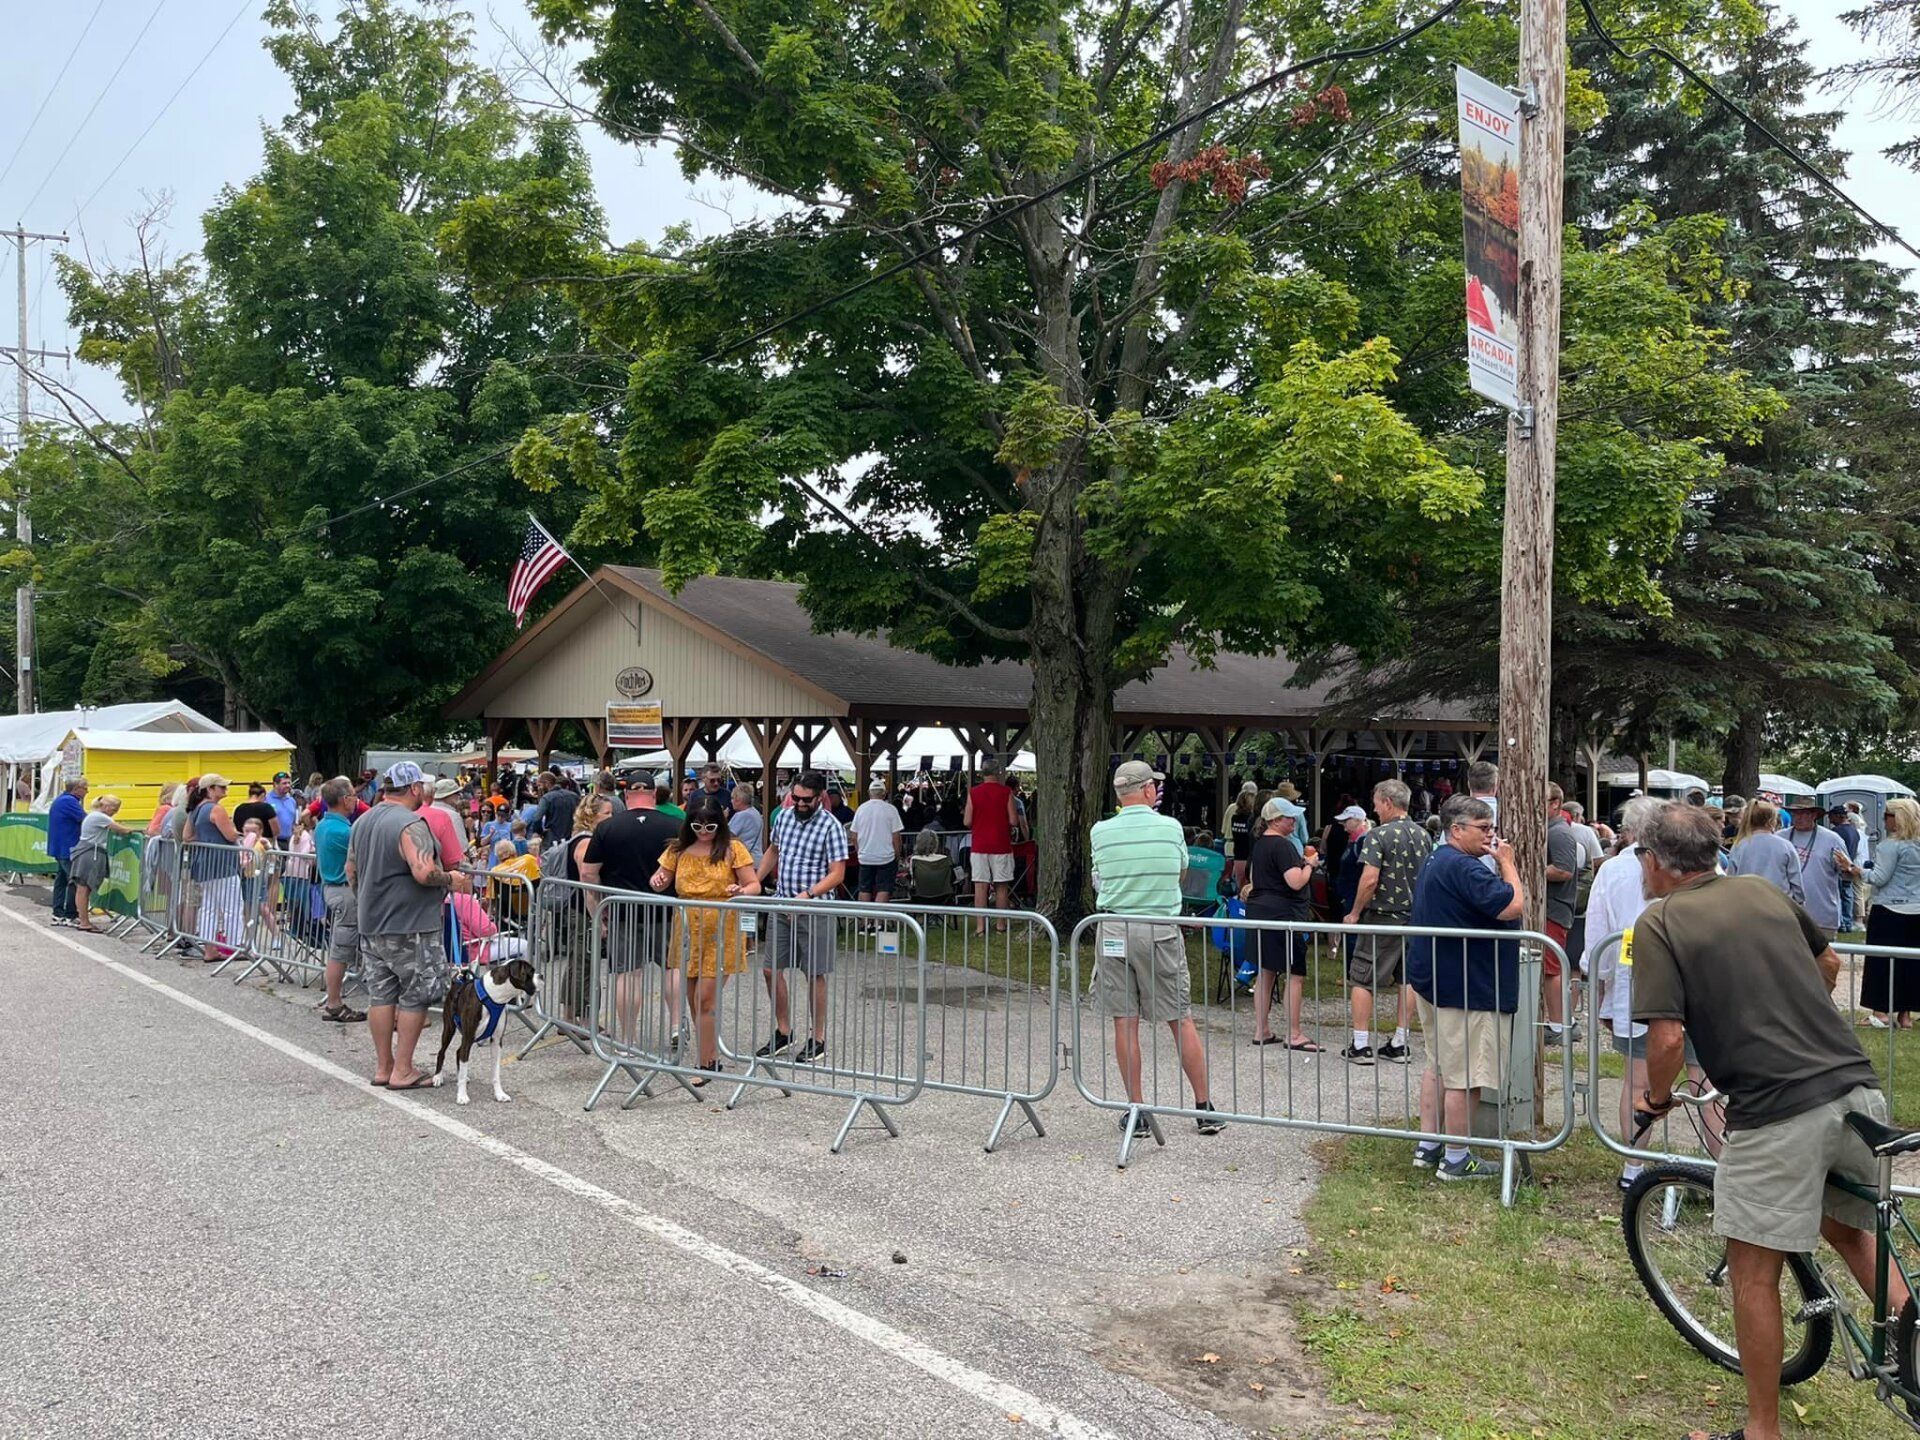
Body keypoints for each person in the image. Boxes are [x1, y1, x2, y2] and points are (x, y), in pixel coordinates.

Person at [1631, 803, 1905, 1440]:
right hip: (1855, 1090)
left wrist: (1657, 1100)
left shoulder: (1661, 921)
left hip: (1777, 1111)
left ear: (1656, 861)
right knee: (1854, 1237)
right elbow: (1831, 964)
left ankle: (1762, 1430)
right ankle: (1914, 1353)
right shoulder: (1759, 891)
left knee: (1755, 1273)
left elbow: (1667, 1041)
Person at [1585, 795, 1718, 1191]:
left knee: (1640, 1080)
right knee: (1704, 1082)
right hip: (1689, 984)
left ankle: (1634, 1165)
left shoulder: (1612, 871)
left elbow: (1597, 939)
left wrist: (1603, 985)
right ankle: (1719, 1165)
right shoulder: (1704, 866)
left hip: (1640, 987)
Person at [1090, 761, 1224, 1136]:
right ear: (1148, 790)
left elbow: (1099, 878)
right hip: (1159, 928)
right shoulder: (1170, 828)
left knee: (1125, 1020)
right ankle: (1204, 1106)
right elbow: (1181, 873)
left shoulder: (1100, 831)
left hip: (1114, 926)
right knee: (1179, 1017)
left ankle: (1137, 1110)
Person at [1406, 795, 1526, 1181]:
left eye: (1492, 827)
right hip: (1467, 984)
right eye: (1484, 828)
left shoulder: (1438, 858)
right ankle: (1457, 1158)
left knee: (1439, 1066)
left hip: (1438, 979)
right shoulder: (1465, 867)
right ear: (1456, 830)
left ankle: (1429, 1146)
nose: (1491, 836)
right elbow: (1512, 906)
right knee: (1466, 1075)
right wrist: (1507, 863)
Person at [346, 761, 472, 1091]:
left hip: (372, 922)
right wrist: (452, 879)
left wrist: (366, 901)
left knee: (381, 995)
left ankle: (384, 1067)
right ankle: (403, 1070)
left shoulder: (362, 821)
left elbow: (351, 870)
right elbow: (423, 872)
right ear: (415, 788)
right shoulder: (410, 823)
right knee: (415, 996)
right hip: (410, 924)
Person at [651, 796, 761, 1080]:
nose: (704, 831)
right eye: (698, 826)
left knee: (705, 998)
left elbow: (754, 884)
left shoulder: (733, 849)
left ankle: (706, 1064)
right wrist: (658, 881)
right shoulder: (678, 849)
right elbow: (660, 877)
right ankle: (708, 1054)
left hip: (721, 928)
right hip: (687, 928)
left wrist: (741, 891)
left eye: (710, 826)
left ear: (720, 825)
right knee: (692, 998)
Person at [579, 773, 680, 1049]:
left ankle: (628, 1038)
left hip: (622, 911)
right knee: (673, 969)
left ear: (626, 796)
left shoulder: (607, 827)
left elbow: (588, 875)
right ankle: (676, 1026)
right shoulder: (675, 824)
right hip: (667, 910)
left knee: (628, 975)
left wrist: (600, 907)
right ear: (654, 794)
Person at [754, 770, 848, 1064]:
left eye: (806, 799)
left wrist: (808, 894)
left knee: (814, 974)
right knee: (770, 969)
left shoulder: (831, 827)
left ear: (820, 797)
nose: (799, 803)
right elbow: (773, 850)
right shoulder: (784, 817)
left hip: (815, 909)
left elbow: (838, 873)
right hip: (783, 905)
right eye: (795, 797)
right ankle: (784, 1030)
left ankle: (818, 1037)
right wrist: (755, 881)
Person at [1343, 779, 1426, 1065]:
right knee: (1407, 980)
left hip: (1382, 917)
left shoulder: (1377, 835)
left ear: (1388, 803)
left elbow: (1369, 879)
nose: (1375, 809)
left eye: (1377, 803)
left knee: (1362, 978)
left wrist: (1354, 912)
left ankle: (1361, 1044)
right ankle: (1400, 1043)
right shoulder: (1423, 834)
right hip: (1414, 919)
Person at [1243, 794, 1319, 1052]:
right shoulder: (1284, 846)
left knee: (1266, 971)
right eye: (1290, 817)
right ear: (1276, 820)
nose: (1294, 821)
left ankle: (1261, 1029)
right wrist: (1310, 865)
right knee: (1295, 974)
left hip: (1259, 911)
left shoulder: (1260, 844)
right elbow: (1295, 881)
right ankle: (1294, 1033)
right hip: (1283, 915)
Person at [1860, 796, 1920, 1029]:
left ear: (1898, 818)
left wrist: (1855, 870)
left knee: (1882, 962)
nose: (1884, 820)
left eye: (1887, 815)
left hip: (1889, 910)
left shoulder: (1889, 845)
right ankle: (1905, 1016)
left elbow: (1879, 878)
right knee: (1910, 964)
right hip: (1917, 910)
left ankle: (1880, 1012)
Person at [315, 777, 366, 1024]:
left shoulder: (324, 826)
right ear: (345, 799)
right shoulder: (344, 831)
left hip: (334, 889)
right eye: (354, 796)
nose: (357, 800)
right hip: (346, 892)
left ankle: (334, 1000)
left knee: (340, 947)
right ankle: (334, 1003)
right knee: (341, 950)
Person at [183, 774, 245, 960]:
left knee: (209, 907)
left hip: (203, 863)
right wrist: (238, 833)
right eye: (221, 787)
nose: (225, 790)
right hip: (221, 864)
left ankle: (210, 949)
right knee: (232, 905)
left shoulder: (195, 809)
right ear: (210, 789)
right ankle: (236, 946)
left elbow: (187, 836)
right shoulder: (216, 809)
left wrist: (204, 839)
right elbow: (230, 836)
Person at [1782, 796, 1860, 939]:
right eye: (1795, 813)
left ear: (1814, 815)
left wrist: (1845, 868)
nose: (1797, 818)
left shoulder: (1832, 839)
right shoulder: (1780, 838)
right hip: (1787, 914)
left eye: (1803, 813)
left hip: (1822, 914)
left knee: (1823, 960)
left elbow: (1849, 874)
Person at [1542, 784, 1583, 1046]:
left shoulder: (1559, 833)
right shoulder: (1553, 830)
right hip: (1551, 908)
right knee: (1548, 967)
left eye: (1542, 800)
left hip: (1555, 908)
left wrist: (1532, 868)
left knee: (1551, 968)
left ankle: (1559, 1024)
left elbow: (1564, 870)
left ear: (1556, 803)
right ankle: (1556, 1021)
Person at [965, 758, 1020, 934]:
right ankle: (1001, 925)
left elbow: (967, 820)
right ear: (999, 773)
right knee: (1001, 887)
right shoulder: (1006, 793)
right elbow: (1013, 820)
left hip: (979, 845)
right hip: (1001, 845)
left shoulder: (973, 792)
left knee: (980, 886)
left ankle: (981, 927)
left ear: (982, 773)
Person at [68, 795, 134, 933]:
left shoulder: (94, 816)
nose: (115, 812)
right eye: (114, 809)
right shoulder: (100, 817)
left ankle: (83, 919)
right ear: (106, 806)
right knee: (84, 888)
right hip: (90, 852)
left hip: (86, 850)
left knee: (82, 888)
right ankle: (84, 922)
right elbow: (122, 829)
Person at [1725, 799, 1802, 904]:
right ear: (1772, 820)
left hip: (1748, 906)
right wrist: (1799, 902)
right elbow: (1796, 881)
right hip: (1780, 906)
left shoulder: (1739, 846)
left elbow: (1731, 879)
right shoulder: (1785, 845)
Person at [850, 778, 905, 905]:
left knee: (864, 888)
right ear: (884, 794)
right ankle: (878, 922)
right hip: (886, 856)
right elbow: (896, 837)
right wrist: (897, 854)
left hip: (865, 856)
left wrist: (860, 852)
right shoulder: (891, 809)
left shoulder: (861, 809)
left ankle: (865, 922)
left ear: (869, 793)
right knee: (884, 888)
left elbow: (853, 835)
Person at [46, 778, 89, 926]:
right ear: (77, 788)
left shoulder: (62, 799)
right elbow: (85, 819)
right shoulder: (69, 801)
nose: (87, 791)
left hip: (60, 846)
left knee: (62, 879)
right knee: (74, 880)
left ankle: (58, 913)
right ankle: (71, 914)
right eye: (85, 788)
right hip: (67, 847)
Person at [1227, 782, 1259, 888]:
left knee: (1239, 887)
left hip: (1238, 856)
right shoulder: (1251, 819)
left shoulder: (1234, 818)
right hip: (1249, 857)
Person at [728, 782, 765, 863]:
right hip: (757, 858)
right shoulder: (755, 812)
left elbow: (725, 836)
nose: (731, 801)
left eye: (732, 798)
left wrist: (723, 818)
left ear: (738, 800)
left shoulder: (741, 815)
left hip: (745, 859)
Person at [266, 771, 300, 845]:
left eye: (289, 783)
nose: (288, 785)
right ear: (275, 784)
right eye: (284, 783)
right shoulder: (266, 799)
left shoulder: (292, 801)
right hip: (273, 842)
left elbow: (295, 822)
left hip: (290, 841)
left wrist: (297, 832)